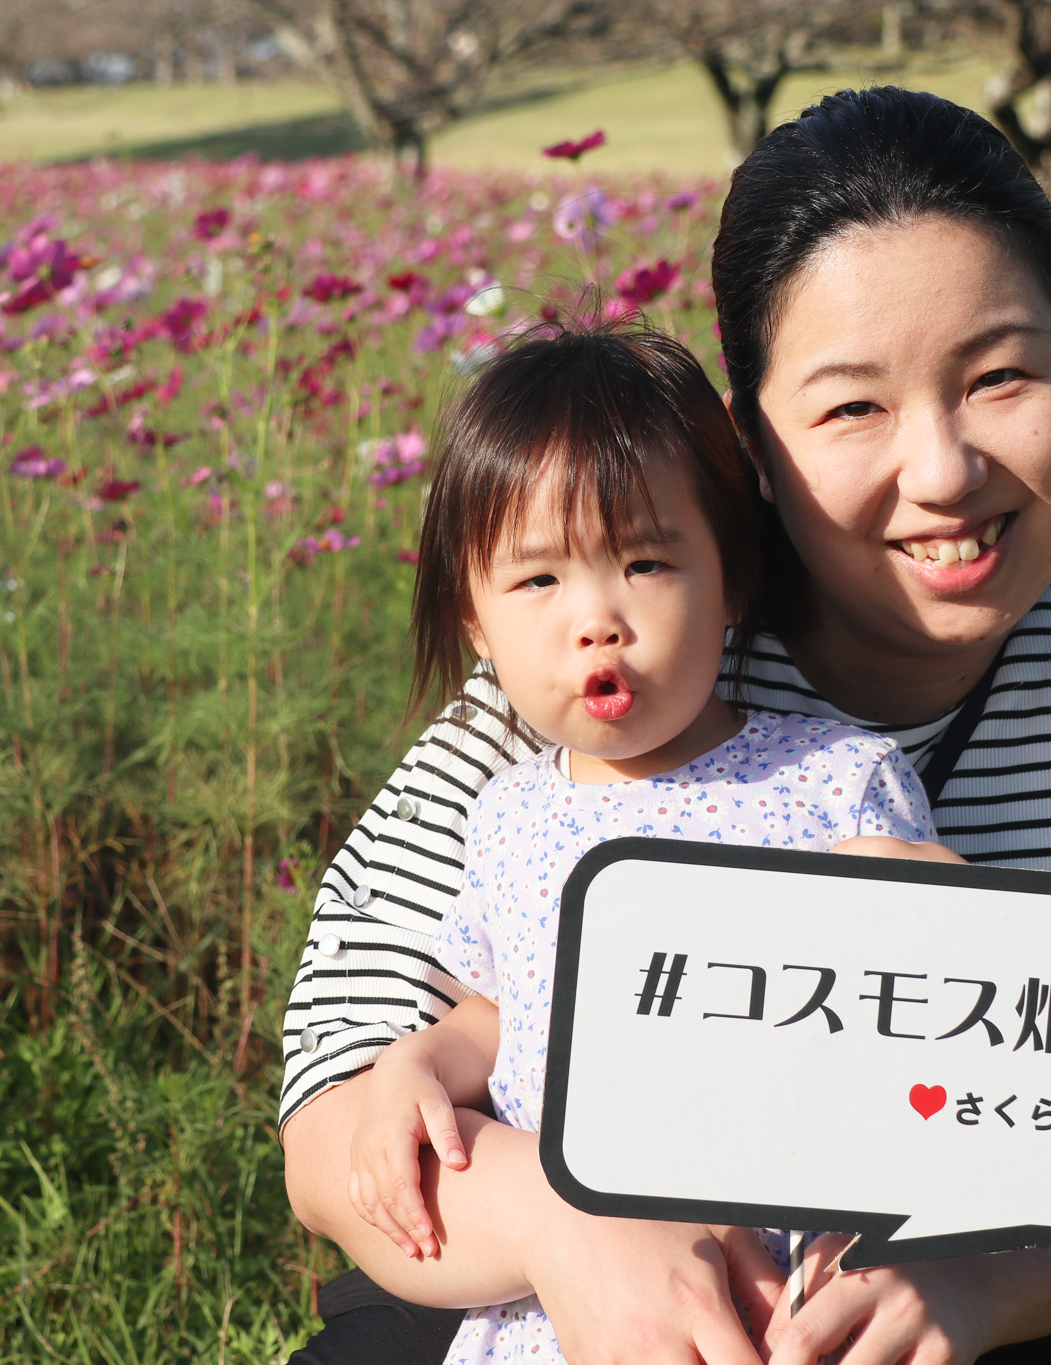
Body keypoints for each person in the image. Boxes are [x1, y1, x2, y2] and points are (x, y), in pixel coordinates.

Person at [281, 87, 1051, 1365]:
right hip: (561, 1285)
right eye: (852, 407)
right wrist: (563, 1222)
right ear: (746, 448)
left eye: (997, 377)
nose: (941, 470)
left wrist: (971, 1282)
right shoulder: (614, 657)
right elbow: (336, 1118)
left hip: (1002, 1266)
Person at [343, 320, 954, 1363]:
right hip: (566, 1303)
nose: (596, 620)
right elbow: (499, 1016)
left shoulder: (832, 780)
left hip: (794, 1291)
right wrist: (415, 1065)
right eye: (537, 582)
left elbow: (947, 996)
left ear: (731, 585)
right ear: (476, 623)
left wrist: (931, 899)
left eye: (643, 562)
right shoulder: (505, 818)